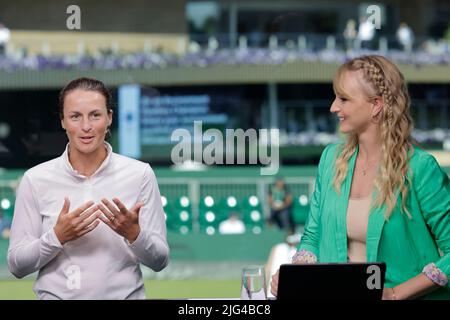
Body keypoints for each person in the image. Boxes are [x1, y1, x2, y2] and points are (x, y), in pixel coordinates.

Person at [271, 55, 449, 300]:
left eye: (343, 99)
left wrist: (396, 294)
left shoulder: (420, 167)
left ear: (376, 105)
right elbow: (313, 236)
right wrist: (296, 272)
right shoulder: (330, 159)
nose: (334, 107)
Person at [7, 77, 169, 299]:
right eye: (75, 116)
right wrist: (57, 236)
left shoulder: (140, 174)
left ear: (109, 118)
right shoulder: (35, 179)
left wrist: (135, 234)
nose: (86, 126)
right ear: (63, 121)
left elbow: (160, 260)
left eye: (95, 115)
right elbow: (16, 265)